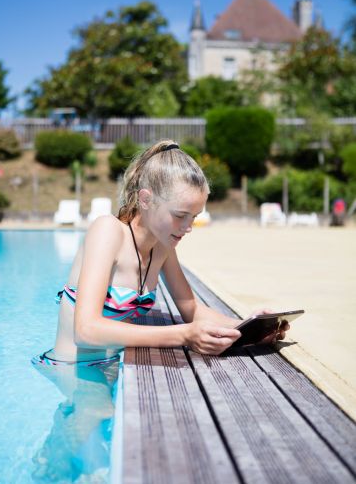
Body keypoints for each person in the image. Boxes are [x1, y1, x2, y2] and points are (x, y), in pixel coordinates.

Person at [32, 140, 289, 479]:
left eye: (194, 218)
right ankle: (43, 467)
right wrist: (184, 336)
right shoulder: (107, 231)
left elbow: (191, 309)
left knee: (99, 452)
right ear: (145, 198)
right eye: (180, 216)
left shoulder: (162, 246)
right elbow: (87, 328)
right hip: (72, 367)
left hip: (109, 364)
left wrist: (249, 326)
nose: (186, 228)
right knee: (82, 442)